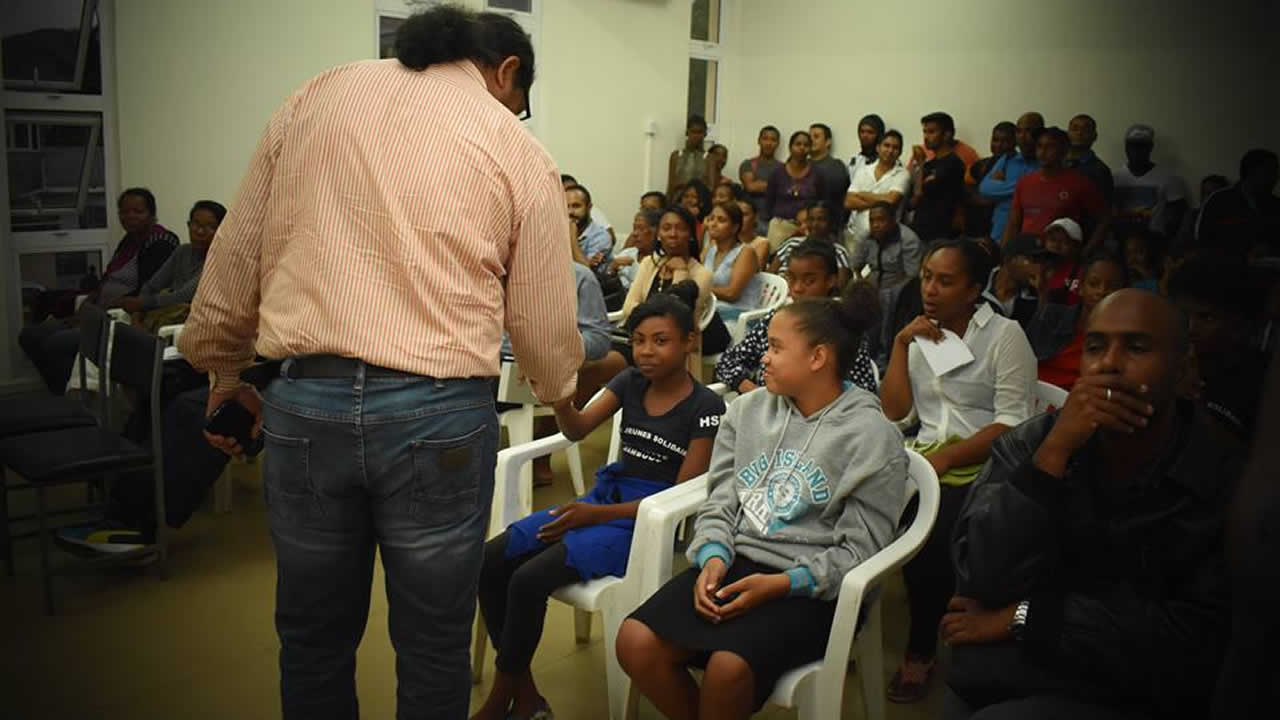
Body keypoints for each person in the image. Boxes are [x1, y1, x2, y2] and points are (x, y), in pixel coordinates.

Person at [177, 7, 583, 718]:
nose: (515, 114)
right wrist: (561, 394)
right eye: (519, 103)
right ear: (507, 71)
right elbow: (544, 325)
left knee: (311, 638)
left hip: (307, 404)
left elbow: (238, 253)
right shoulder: (514, 148)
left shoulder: (317, 96)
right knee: (433, 643)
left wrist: (226, 373)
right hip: (439, 415)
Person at [617, 282, 908, 720]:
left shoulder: (871, 436)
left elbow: (860, 549)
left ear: (817, 357)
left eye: (775, 347)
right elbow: (721, 499)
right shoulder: (747, 411)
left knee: (727, 669)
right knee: (635, 641)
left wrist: (782, 584)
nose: (763, 359)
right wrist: (713, 556)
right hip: (736, 562)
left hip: (812, 587)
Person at [945, 290, 1238, 720]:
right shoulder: (1035, 441)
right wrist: (1052, 457)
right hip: (1054, 655)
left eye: (1136, 347)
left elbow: (1195, 636)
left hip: (1151, 683)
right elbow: (979, 577)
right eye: (1096, 347)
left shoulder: (1219, 472)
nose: (1109, 364)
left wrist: (1026, 616)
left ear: (1182, 367)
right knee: (967, 674)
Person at [474, 287, 724, 720]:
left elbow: (676, 496)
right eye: (639, 340)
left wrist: (593, 516)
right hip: (605, 500)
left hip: (646, 523)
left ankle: (502, 695)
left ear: (689, 341)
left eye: (660, 341)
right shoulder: (629, 381)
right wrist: (559, 398)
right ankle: (525, 694)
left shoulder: (705, 407)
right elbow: (577, 429)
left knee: (528, 580)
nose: (646, 351)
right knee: (489, 561)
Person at [879, 239, 1037, 702]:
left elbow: (1013, 423)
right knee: (859, 506)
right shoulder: (920, 336)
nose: (930, 289)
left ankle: (920, 648)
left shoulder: (1005, 336)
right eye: (927, 277)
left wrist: (947, 459)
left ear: (973, 289)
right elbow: (896, 413)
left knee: (933, 526)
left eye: (945, 281)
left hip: (987, 460)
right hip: (924, 454)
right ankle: (846, 622)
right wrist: (901, 343)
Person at [19, 187, 179, 394]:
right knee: (30, 335)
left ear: (151, 214)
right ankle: (62, 390)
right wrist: (91, 300)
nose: (130, 217)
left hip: (120, 319)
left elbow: (146, 292)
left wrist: (95, 314)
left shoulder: (161, 243)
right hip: (97, 310)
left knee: (55, 344)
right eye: (124, 212)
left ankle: (69, 397)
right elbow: (108, 279)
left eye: (138, 211)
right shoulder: (129, 240)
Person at [715, 243, 879, 395]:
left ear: (830, 281)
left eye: (809, 281)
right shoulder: (776, 320)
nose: (797, 288)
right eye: (791, 278)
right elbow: (728, 361)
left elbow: (863, 392)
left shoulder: (844, 327)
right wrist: (752, 391)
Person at [1167, 254, 1268, 441]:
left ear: (1240, 323)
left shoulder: (1265, 382)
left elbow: (1247, 455)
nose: (1190, 328)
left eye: (1206, 317)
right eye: (1182, 314)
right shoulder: (1165, 362)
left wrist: (1190, 400)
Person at [620, 206, 731, 364]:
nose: (673, 234)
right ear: (659, 235)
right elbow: (628, 307)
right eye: (666, 228)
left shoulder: (702, 275)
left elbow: (677, 319)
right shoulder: (648, 263)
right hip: (638, 339)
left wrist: (681, 271)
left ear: (690, 235)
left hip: (671, 350)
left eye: (680, 229)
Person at [109, 200, 226, 324]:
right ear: (188, 225)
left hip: (197, 322)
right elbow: (152, 286)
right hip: (164, 316)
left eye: (210, 227)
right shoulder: (182, 251)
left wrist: (140, 304)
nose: (200, 231)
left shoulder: (220, 258)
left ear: (222, 230)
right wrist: (138, 313)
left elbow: (183, 296)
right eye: (196, 224)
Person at [1024, 254, 1129, 390]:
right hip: (1030, 392)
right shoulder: (1050, 316)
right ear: (1081, 288)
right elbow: (1019, 358)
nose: (1101, 291)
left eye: (1112, 287)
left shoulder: (1121, 339)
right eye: (1094, 284)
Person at [1003, 127, 1109, 253]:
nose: (1043, 152)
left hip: (1059, 254)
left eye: (1050, 147)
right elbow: (1013, 223)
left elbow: (1104, 220)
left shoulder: (1080, 182)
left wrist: (1086, 252)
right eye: (1039, 146)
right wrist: (1004, 253)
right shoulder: (1024, 182)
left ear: (1064, 151)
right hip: (1026, 252)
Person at [850, 202, 923, 362]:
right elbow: (856, 266)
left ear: (893, 220)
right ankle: (860, 352)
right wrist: (862, 284)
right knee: (855, 292)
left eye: (881, 220)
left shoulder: (909, 240)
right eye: (872, 220)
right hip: (873, 281)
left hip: (901, 285)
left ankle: (883, 357)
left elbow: (912, 275)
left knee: (887, 297)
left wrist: (887, 290)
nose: (876, 225)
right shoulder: (867, 237)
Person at [1194, 148, 1280, 258]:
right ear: (1252, 172)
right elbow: (1202, 242)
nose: (1276, 177)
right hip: (1224, 266)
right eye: (1270, 172)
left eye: (1276, 172)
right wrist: (1242, 253)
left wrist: (1270, 250)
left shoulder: (1275, 205)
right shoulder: (1219, 200)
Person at [1113, 124, 1189, 239]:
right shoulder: (1114, 178)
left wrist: (1167, 243)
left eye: (1141, 146)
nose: (1136, 150)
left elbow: (1178, 216)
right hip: (1121, 240)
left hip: (1155, 241)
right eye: (1132, 145)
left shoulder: (1169, 178)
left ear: (1150, 147)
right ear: (1126, 148)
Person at [979, 114, 1041, 243]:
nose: (1022, 136)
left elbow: (1035, 190)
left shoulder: (1045, 163)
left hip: (1029, 234)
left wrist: (1002, 187)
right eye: (1019, 131)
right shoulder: (1008, 159)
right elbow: (985, 188)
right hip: (998, 232)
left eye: (1028, 131)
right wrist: (1023, 187)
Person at [845, 129, 911, 248]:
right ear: (878, 148)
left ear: (900, 152)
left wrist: (862, 194)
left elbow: (891, 201)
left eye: (895, 148)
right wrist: (881, 200)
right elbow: (848, 202)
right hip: (857, 237)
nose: (890, 150)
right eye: (886, 145)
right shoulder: (863, 170)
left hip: (887, 241)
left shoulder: (902, 174)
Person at [909, 112, 968, 244]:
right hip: (919, 230)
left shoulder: (953, 163)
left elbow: (921, 191)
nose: (926, 137)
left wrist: (921, 164)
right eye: (924, 132)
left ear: (947, 134)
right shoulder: (928, 164)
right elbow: (914, 199)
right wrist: (920, 166)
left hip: (940, 234)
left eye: (931, 132)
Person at [701, 201, 763, 327]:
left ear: (735, 228)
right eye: (711, 219)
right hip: (711, 313)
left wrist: (701, 289)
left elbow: (732, 293)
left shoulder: (746, 252)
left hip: (737, 317)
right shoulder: (710, 249)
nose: (713, 224)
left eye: (721, 220)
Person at [763, 130, 826, 252]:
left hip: (807, 226)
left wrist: (808, 216)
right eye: (798, 144)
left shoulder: (818, 173)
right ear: (790, 147)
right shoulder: (777, 172)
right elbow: (769, 201)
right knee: (775, 259)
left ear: (810, 149)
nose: (802, 148)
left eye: (806, 145)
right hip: (780, 225)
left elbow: (822, 201)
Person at [770, 202, 852, 288]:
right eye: (811, 219)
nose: (815, 224)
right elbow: (771, 274)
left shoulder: (839, 252)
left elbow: (840, 288)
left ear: (831, 223)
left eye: (821, 220)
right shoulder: (791, 243)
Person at [964, 121, 1017, 241]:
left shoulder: (1016, 166)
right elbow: (965, 190)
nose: (999, 145)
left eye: (1005, 141)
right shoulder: (982, 164)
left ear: (1015, 142)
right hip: (974, 227)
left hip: (998, 227)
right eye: (995, 140)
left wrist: (987, 196)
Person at [980, 233, 1043, 327]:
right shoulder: (979, 278)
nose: (1038, 268)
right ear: (1010, 259)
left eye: (1041, 262)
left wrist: (1042, 294)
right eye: (1032, 260)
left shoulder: (1033, 299)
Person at [739, 125, 782, 234]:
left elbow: (784, 189)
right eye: (765, 139)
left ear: (778, 143)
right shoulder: (748, 164)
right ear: (759, 141)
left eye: (773, 140)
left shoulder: (783, 167)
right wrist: (775, 186)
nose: (769, 143)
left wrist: (761, 184)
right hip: (751, 221)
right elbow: (751, 187)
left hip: (775, 221)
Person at [1064, 113, 1115, 203]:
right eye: (1075, 129)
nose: (1079, 133)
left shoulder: (1100, 170)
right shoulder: (1056, 163)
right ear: (1067, 133)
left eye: (1085, 130)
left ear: (1094, 136)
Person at [809, 122, 852, 227]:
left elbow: (836, 199)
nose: (811, 140)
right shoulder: (801, 164)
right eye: (809, 137)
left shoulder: (836, 166)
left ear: (828, 142)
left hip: (827, 222)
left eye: (816, 137)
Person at [1173, 174, 1229, 254]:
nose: (1208, 197)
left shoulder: (1230, 218)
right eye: (1205, 193)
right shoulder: (1192, 215)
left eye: (1213, 193)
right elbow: (1179, 244)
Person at [610, 208, 661, 291]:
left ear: (655, 232)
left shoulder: (660, 260)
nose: (634, 234)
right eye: (634, 229)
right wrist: (612, 269)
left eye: (641, 229)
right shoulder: (627, 253)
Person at [1040, 217, 1086, 305]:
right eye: (1052, 240)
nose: (1056, 246)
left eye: (1064, 242)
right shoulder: (1038, 267)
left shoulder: (1078, 274)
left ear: (1076, 247)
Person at [566, 183, 612, 270]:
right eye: (566, 206)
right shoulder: (558, 231)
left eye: (576, 206)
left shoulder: (601, 237)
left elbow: (586, 272)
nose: (570, 212)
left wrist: (572, 237)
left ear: (589, 207)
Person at [669, 114, 710, 198]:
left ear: (705, 134)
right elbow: (670, 185)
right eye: (693, 132)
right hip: (678, 200)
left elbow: (710, 186)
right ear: (687, 132)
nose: (696, 136)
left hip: (699, 201)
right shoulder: (676, 155)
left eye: (700, 132)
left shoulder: (709, 158)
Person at [1117, 225, 1166, 292]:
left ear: (1149, 252)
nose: (1133, 258)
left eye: (1139, 252)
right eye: (1128, 253)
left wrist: (1143, 272)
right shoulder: (1123, 272)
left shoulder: (1157, 272)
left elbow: (1157, 287)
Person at [734, 199, 771, 269]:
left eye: (745, 214)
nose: (740, 218)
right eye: (737, 214)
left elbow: (754, 269)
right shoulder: (723, 240)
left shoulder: (762, 243)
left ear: (755, 217)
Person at [848, 113, 886, 179]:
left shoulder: (887, 161)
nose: (865, 136)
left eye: (870, 132)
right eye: (862, 132)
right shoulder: (854, 161)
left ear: (879, 135)